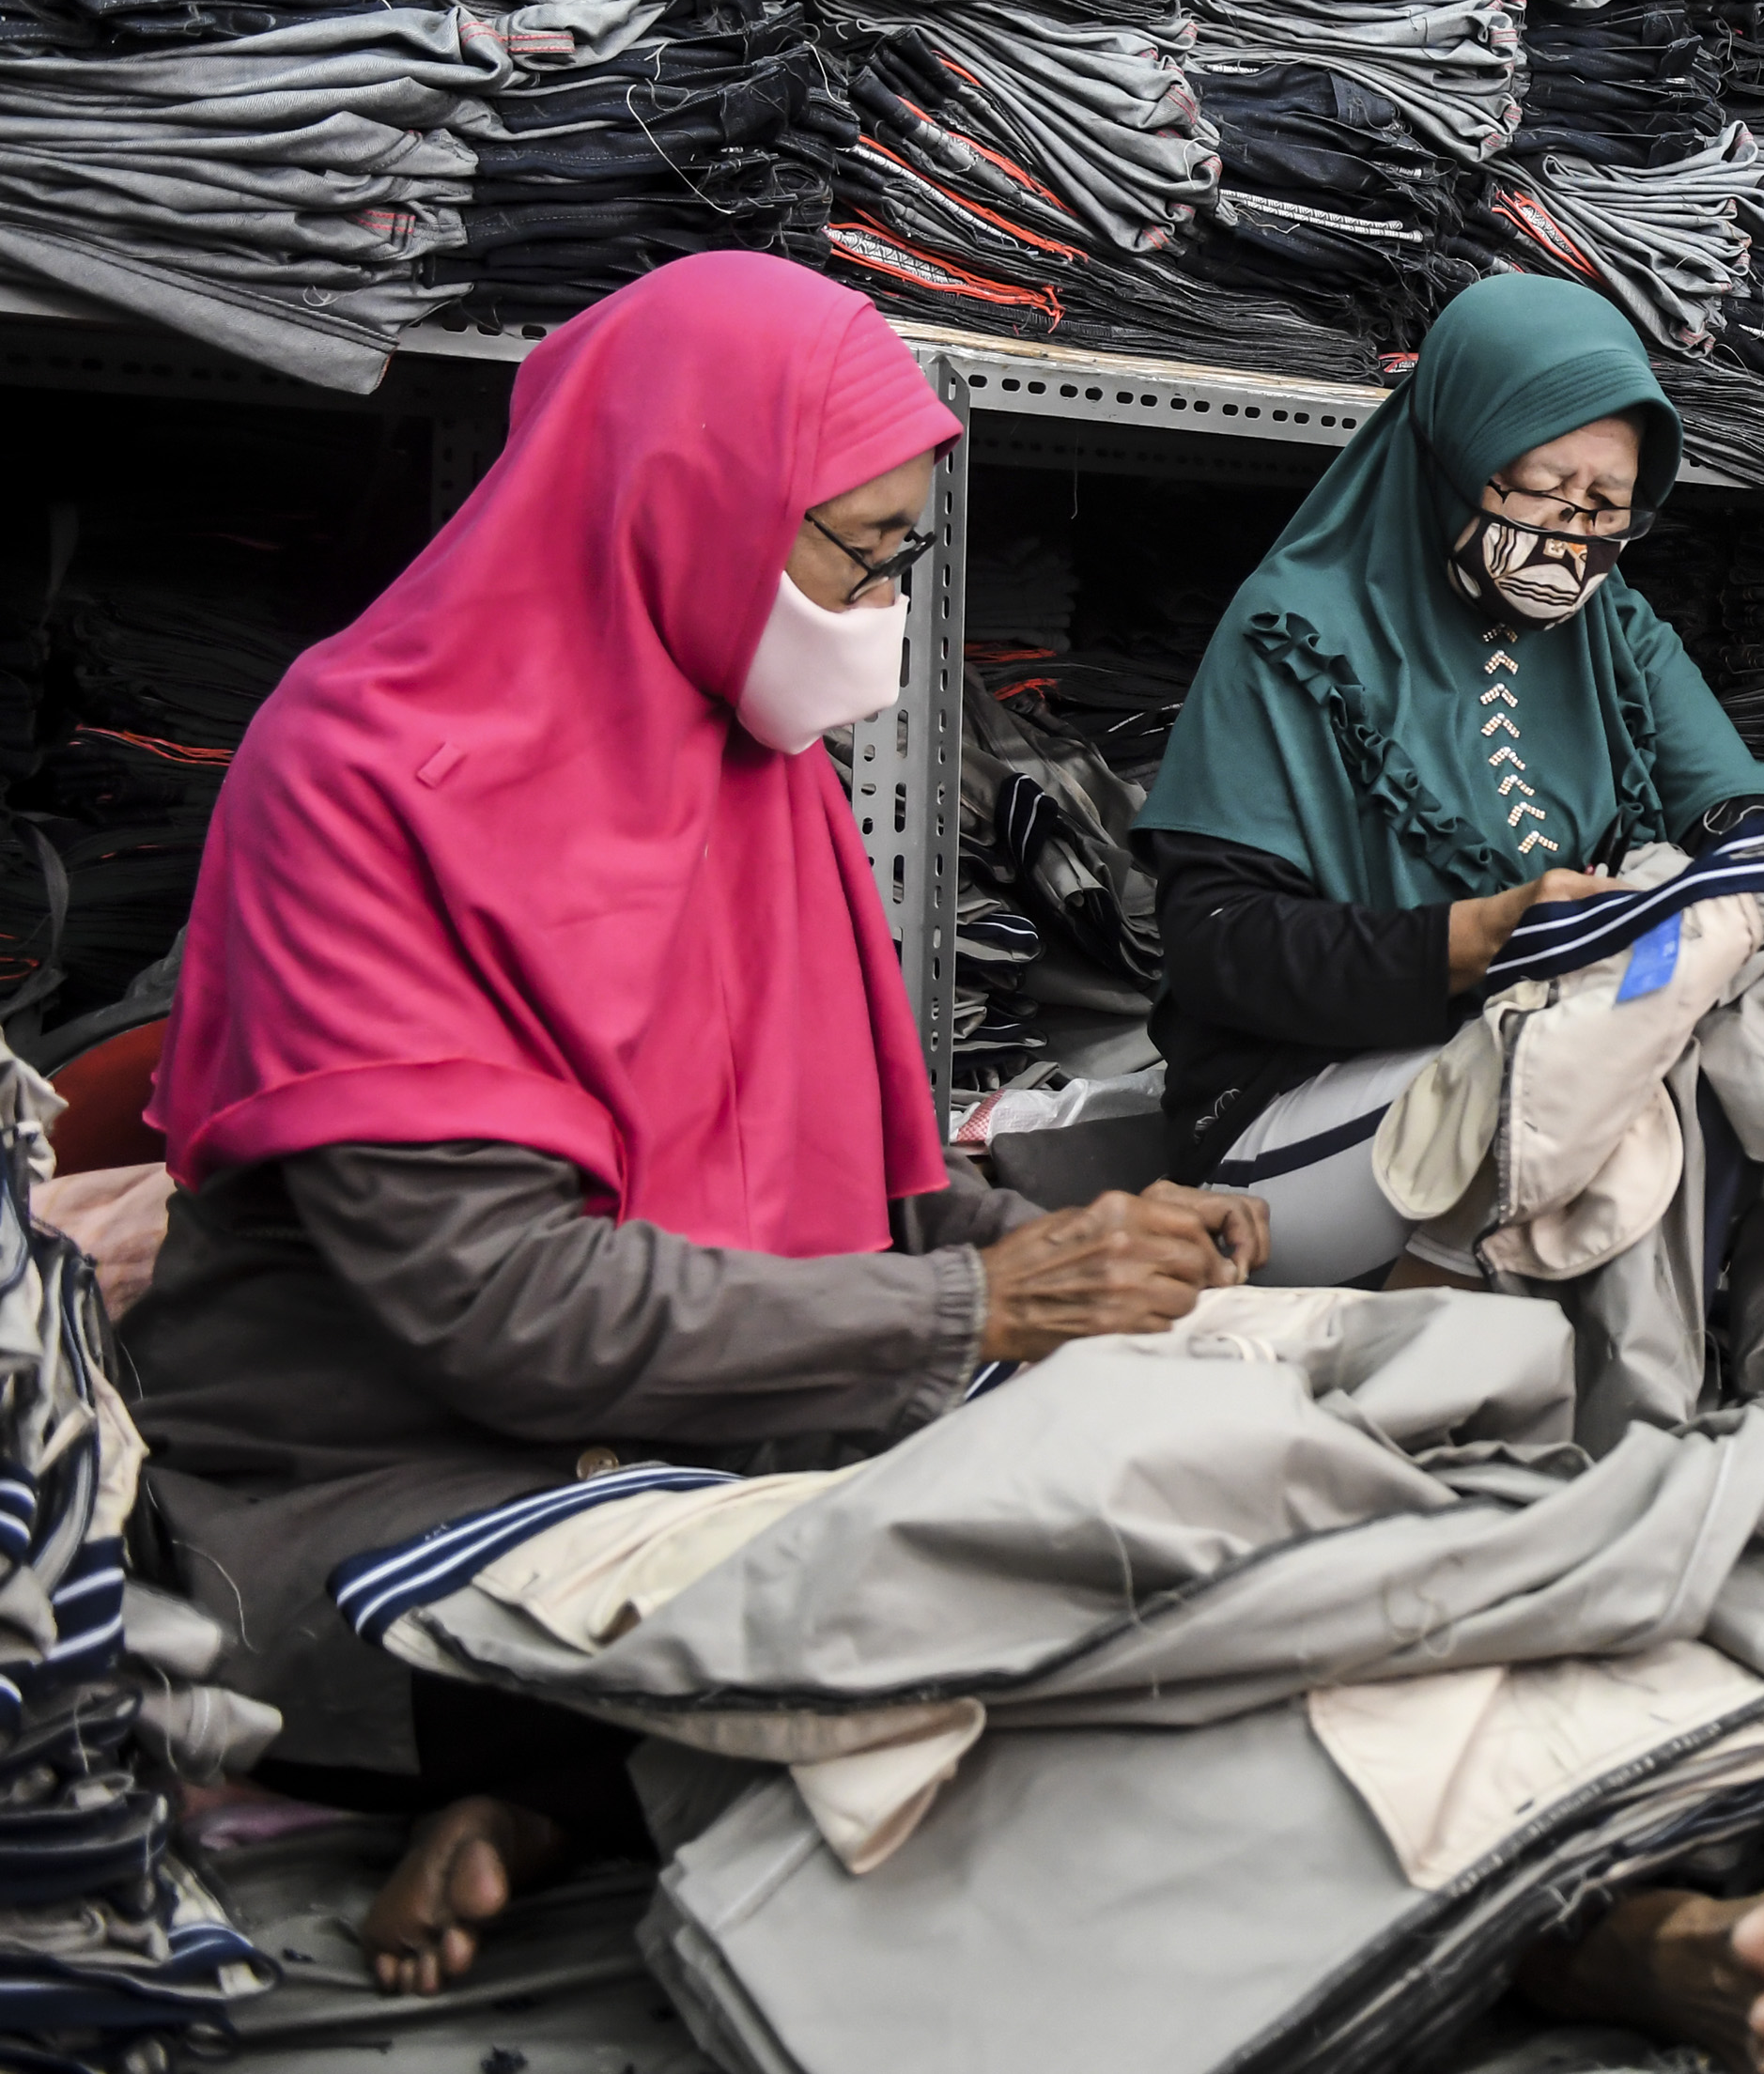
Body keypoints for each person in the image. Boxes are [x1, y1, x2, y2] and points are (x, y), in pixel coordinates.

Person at [123, 255, 1265, 1993]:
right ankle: (578, 1784)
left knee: (1235, 1485)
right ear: (684, 500)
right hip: (385, 1500)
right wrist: (987, 1308)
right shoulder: (357, 782)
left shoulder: (759, 770)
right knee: (1016, 1634)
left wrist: (1076, 1261)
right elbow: (506, 1312)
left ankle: (577, 1797)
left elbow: (866, 1207)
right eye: (857, 551)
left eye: (898, 557)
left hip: (711, 1450)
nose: (880, 611)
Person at [1137, 273, 1764, 1292]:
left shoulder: (1608, 627)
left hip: (1541, 1058)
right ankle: (1457, 1345)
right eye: (1546, 489)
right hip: (1292, 1121)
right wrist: (1481, 938)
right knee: (1618, 1061)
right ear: (1456, 453)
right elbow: (1215, 947)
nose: (1573, 534)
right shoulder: (1297, 633)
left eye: (1605, 506)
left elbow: (1732, 804)